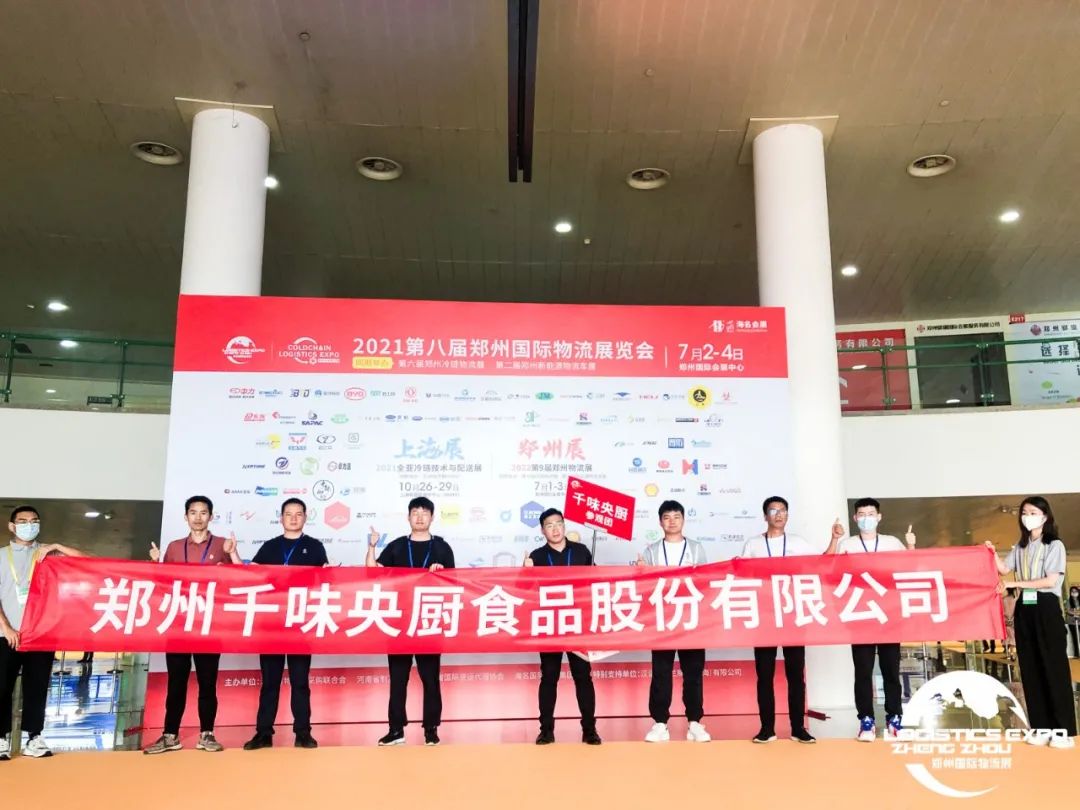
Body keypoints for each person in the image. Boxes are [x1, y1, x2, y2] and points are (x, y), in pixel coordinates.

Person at [739, 496, 844, 744]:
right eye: (773, 511)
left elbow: (823, 562)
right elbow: (741, 573)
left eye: (783, 510)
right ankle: (767, 729)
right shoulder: (753, 544)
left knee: (796, 675)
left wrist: (834, 539)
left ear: (787, 515)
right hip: (765, 617)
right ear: (765, 516)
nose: (779, 515)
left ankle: (798, 728)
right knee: (764, 676)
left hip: (793, 615)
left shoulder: (797, 542)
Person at [143, 495, 241, 755]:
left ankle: (207, 734)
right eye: (193, 512)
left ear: (211, 516)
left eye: (203, 512)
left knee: (207, 683)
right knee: (176, 683)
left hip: (209, 626)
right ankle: (170, 735)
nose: (198, 517)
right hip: (178, 625)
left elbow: (241, 579)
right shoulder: (175, 547)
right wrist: (155, 563)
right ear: (185, 516)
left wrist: (233, 554)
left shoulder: (223, 544)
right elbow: (162, 584)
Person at [985, 496, 1077, 749]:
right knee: (1030, 668)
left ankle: (1063, 730)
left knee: (1053, 668)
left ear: (1045, 517)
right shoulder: (1021, 546)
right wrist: (991, 552)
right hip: (1025, 607)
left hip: (1045, 606)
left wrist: (1014, 584)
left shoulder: (1054, 545)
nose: (1028, 516)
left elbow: (1050, 581)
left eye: (1033, 512)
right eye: (1025, 512)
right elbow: (1004, 569)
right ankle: (1040, 726)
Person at [0, 505, 87, 760]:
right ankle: (1, 738)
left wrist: (57, 546)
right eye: (23, 521)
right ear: (12, 526)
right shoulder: (2, 556)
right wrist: (6, 627)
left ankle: (34, 737)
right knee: (1, 687)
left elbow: (87, 561)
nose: (29, 525)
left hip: (41, 635)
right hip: (6, 635)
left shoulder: (49, 555)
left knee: (37, 687)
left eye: (34, 521)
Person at [367, 496, 455, 746]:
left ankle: (431, 729)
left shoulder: (442, 548)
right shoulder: (396, 546)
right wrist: (372, 547)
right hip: (399, 621)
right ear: (408, 517)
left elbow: (455, 583)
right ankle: (396, 730)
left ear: (432, 517)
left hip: (429, 620)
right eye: (415, 512)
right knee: (398, 679)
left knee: (430, 678)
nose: (419, 517)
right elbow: (373, 572)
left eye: (424, 513)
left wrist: (442, 574)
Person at [243, 498, 327, 751]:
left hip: (301, 624)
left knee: (300, 682)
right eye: (288, 514)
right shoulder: (270, 546)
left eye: (298, 514)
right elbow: (250, 575)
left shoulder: (314, 547)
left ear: (305, 518)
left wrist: (330, 573)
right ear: (281, 518)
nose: (293, 518)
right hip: (272, 624)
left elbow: (324, 580)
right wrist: (234, 555)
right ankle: (263, 733)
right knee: (270, 682)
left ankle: (303, 732)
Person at [837, 497, 916, 742]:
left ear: (879, 517)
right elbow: (834, 573)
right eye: (861, 514)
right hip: (860, 614)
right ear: (855, 518)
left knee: (890, 669)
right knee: (862, 671)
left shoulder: (892, 542)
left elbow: (910, 568)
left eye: (870, 514)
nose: (866, 518)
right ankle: (866, 721)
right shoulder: (847, 544)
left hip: (888, 615)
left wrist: (911, 546)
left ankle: (895, 718)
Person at [524, 508, 601, 746]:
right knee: (549, 677)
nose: (555, 529)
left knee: (583, 677)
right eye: (549, 525)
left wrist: (595, 572)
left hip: (577, 623)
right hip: (550, 624)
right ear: (542, 530)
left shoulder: (581, 551)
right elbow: (524, 591)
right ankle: (546, 730)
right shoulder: (536, 556)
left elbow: (596, 583)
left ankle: (590, 730)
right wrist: (525, 572)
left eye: (558, 523)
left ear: (564, 525)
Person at [637, 500, 710, 743]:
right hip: (662, 620)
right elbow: (645, 585)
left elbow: (705, 580)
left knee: (693, 672)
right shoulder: (651, 551)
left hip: (690, 620)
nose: (672, 521)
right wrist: (641, 571)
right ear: (660, 522)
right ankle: (660, 723)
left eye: (676, 517)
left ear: (683, 520)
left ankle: (695, 722)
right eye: (667, 517)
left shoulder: (696, 548)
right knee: (661, 672)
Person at [1066, 586, 1080, 659]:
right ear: (1070, 593)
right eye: (1072, 592)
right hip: (1072, 622)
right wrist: (1076, 613)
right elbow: (1068, 610)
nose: (1074, 593)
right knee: (1075, 638)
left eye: (1075, 591)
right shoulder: (1069, 601)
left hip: (1079, 621)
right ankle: (1077, 654)